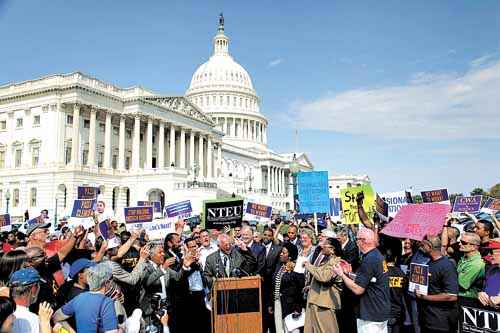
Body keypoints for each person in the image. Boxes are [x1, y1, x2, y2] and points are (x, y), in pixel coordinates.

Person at [333, 228, 391, 333]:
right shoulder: (376, 255)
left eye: (357, 239)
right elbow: (368, 279)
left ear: (363, 241)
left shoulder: (369, 259)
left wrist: (341, 274)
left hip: (371, 314)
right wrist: (349, 274)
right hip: (380, 310)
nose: (356, 243)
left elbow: (358, 289)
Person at [52, 262, 119, 333]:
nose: (112, 281)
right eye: (111, 278)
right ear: (106, 283)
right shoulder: (107, 302)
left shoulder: (79, 298)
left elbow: (56, 317)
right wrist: (122, 329)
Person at [415, 235, 458, 333]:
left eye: (423, 245)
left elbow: (451, 296)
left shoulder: (447, 265)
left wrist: (424, 297)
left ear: (429, 247)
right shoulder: (429, 263)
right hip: (426, 319)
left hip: (440, 322)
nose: (420, 248)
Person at [303, 237, 343, 333]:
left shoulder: (336, 261)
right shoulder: (327, 260)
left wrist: (308, 266)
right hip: (317, 301)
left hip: (324, 304)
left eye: (325, 245)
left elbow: (324, 277)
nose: (322, 247)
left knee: (326, 330)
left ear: (332, 249)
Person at [269, 242, 304, 333]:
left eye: (284, 253)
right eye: (281, 252)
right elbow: (274, 285)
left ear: (290, 256)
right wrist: (271, 303)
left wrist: (297, 307)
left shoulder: (296, 269)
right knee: (280, 328)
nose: (281, 254)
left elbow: (299, 289)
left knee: (292, 329)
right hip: (278, 302)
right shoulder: (280, 266)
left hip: (291, 306)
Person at [9, 268, 43, 333]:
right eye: (38, 286)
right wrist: (45, 322)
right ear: (33, 289)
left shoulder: (4, 310)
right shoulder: (33, 319)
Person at [457, 232, 485, 306]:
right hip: (459, 297)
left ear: (474, 247)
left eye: (463, 242)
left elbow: (461, 285)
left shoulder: (476, 264)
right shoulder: (464, 258)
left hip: (467, 301)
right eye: (460, 241)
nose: (460, 244)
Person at [478, 238, 500, 308]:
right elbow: (485, 290)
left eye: (492, 252)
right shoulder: (491, 270)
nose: (489, 255)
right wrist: (481, 294)